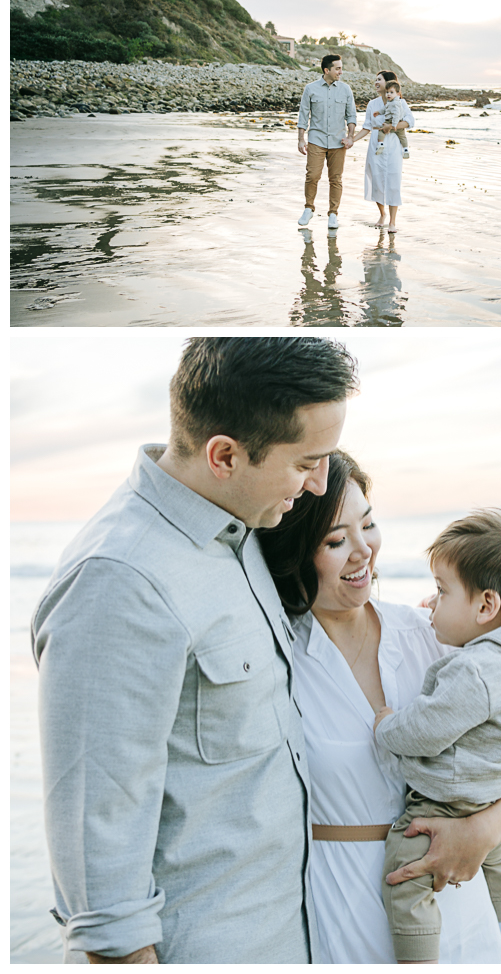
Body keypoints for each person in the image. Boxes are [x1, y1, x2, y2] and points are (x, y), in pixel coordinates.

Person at [30, 337, 358, 964]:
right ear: (225, 455)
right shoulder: (120, 581)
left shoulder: (239, 531)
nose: (319, 485)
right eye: (306, 462)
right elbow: (97, 854)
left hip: (288, 938)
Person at [259, 452, 501, 964]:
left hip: (460, 900)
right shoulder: (277, 661)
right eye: (336, 540)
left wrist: (484, 831)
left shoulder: (437, 633)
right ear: (296, 551)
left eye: (369, 524)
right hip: (344, 908)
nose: (364, 551)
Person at [374, 510, 501, 964]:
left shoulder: (472, 671)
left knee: (405, 870)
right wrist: (445, 619)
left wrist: (385, 726)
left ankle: (418, 961)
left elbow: (428, 729)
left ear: (485, 607)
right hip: (498, 790)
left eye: (441, 590)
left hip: (449, 796)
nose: (432, 602)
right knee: (497, 857)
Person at [297, 55, 356, 232]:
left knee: (335, 179)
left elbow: (351, 115)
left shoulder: (346, 90)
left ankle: (333, 214)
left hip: (339, 141)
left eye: (341, 68)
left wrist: (351, 136)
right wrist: (301, 139)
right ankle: (308, 208)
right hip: (316, 139)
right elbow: (303, 115)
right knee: (312, 175)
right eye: (337, 68)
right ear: (326, 70)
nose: (341, 71)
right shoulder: (311, 89)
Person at [352, 70, 414, 233]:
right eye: (376, 79)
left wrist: (392, 126)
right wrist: (350, 139)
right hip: (376, 145)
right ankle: (382, 214)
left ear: (389, 83)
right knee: (377, 180)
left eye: (379, 79)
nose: (376, 82)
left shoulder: (400, 102)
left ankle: (393, 221)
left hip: (393, 145)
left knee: (394, 181)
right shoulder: (372, 104)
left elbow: (410, 121)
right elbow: (366, 127)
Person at [375, 81, 410, 158]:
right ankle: (406, 149)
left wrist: (394, 125)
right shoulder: (391, 102)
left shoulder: (395, 103)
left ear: (397, 94)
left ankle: (380, 144)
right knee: (402, 137)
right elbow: (385, 109)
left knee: (381, 131)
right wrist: (379, 112)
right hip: (397, 123)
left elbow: (396, 115)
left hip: (392, 122)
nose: (388, 94)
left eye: (391, 92)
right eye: (387, 92)